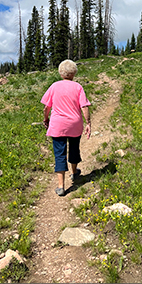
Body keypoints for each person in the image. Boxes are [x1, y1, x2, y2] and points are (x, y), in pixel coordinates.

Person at [41, 59, 91, 197]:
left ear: (60, 72)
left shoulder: (54, 86)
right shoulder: (78, 87)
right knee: (74, 148)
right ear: (74, 73)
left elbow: (47, 107)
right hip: (74, 124)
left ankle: (61, 186)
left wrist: (46, 119)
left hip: (58, 124)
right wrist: (88, 123)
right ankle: (74, 173)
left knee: (59, 153)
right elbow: (84, 106)